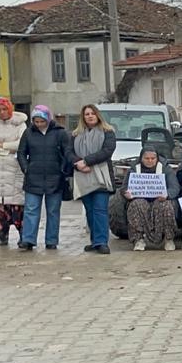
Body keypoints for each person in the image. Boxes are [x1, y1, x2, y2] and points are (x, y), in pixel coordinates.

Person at [15, 106, 70, 251]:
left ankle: (51, 240)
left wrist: (62, 170)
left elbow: (67, 153)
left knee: (53, 211)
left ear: (48, 119)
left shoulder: (60, 133)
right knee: (31, 209)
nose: (39, 124)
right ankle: (28, 239)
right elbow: (21, 153)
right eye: (36, 121)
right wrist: (26, 168)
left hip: (55, 177)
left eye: (41, 121)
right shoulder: (28, 133)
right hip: (33, 177)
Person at [69, 103, 116, 254]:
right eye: (86, 114)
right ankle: (95, 241)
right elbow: (68, 152)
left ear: (97, 115)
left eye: (92, 113)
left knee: (100, 209)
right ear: (83, 117)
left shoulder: (108, 132)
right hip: (82, 175)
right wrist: (78, 164)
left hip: (101, 176)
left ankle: (102, 242)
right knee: (89, 210)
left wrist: (87, 161)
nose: (89, 116)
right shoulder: (75, 135)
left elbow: (107, 151)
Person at [122, 147, 180, 252]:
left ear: (157, 158)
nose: (150, 161)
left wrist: (167, 194)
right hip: (140, 199)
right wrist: (127, 193)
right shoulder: (134, 168)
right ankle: (138, 239)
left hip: (160, 199)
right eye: (147, 158)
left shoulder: (165, 169)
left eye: (153, 158)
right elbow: (124, 187)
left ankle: (168, 239)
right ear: (141, 158)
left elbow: (175, 187)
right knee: (136, 205)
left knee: (165, 206)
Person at [0, 97, 28, 245]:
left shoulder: (20, 124)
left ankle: (23, 236)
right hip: (0, 167)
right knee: (0, 207)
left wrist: (4, 145)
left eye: (4, 109)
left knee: (17, 206)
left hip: (14, 165)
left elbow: (22, 143)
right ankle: (2, 235)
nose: (2, 112)